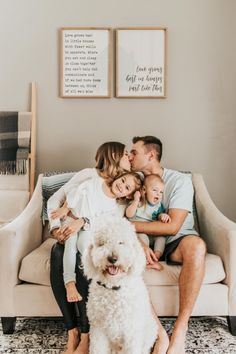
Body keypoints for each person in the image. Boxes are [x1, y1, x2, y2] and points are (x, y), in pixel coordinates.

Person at [49, 141, 169, 354]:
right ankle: (72, 331)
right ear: (114, 156)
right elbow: (59, 198)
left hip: (89, 238)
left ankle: (86, 335)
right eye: (126, 153)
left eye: (132, 153)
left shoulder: (122, 198)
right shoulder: (90, 177)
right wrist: (56, 227)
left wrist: (83, 221)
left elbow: (112, 225)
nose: (130, 157)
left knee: (85, 254)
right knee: (58, 252)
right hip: (70, 229)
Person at [129, 136, 206, 354]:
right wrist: (137, 240)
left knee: (197, 247)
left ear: (151, 155)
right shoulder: (131, 181)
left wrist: (130, 225)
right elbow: (119, 216)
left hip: (176, 241)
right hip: (141, 241)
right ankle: (158, 333)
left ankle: (180, 329)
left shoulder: (179, 181)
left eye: (134, 152)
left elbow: (172, 227)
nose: (130, 156)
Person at [49, 171, 142, 303]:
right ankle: (69, 283)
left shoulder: (115, 206)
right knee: (70, 244)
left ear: (128, 195)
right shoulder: (96, 183)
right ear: (118, 177)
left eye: (127, 187)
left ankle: (94, 287)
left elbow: (102, 221)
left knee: (85, 248)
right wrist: (65, 207)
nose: (122, 185)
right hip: (70, 221)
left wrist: (137, 199)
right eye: (122, 180)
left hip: (87, 228)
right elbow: (76, 191)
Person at [126, 173, 171, 271]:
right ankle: (147, 258)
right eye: (154, 190)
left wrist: (163, 216)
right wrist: (136, 200)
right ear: (144, 190)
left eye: (161, 192)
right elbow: (129, 214)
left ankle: (156, 257)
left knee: (161, 238)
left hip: (153, 234)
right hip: (140, 233)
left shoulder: (158, 206)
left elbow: (159, 216)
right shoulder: (139, 203)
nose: (158, 194)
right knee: (142, 237)